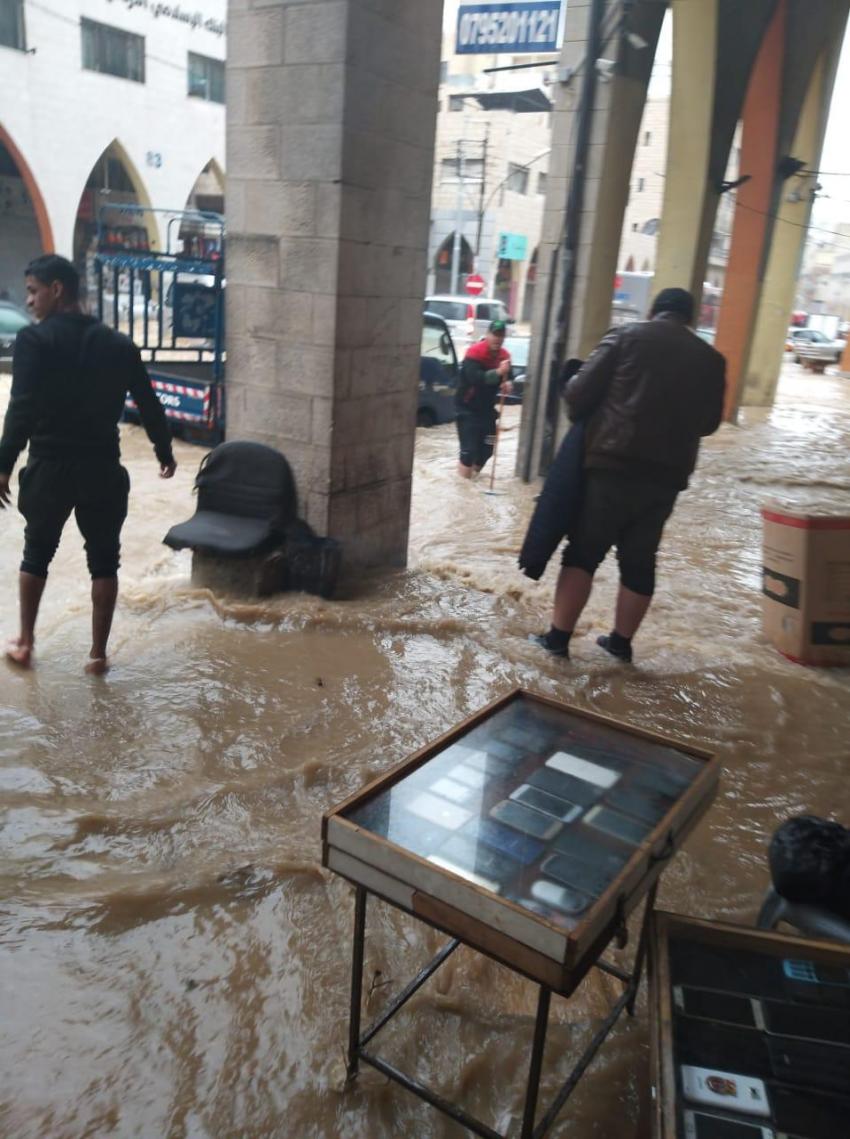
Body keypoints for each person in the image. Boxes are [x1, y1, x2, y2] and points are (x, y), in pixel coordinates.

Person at [0, 254, 176, 673]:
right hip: (102, 468)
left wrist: (4, 464)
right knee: (104, 560)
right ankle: (97, 655)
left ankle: (25, 642)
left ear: (56, 289)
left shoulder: (35, 342)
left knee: (36, 554)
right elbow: (150, 405)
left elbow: (21, 407)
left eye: (32, 291)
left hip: (49, 468)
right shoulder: (119, 345)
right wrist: (164, 452)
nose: (29, 301)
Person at [529, 287, 726, 662]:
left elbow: (577, 394)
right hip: (666, 479)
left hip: (611, 467)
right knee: (640, 559)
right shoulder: (712, 360)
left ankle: (557, 639)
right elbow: (710, 424)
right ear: (690, 317)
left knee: (584, 552)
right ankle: (620, 644)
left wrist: (571, 378)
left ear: (654, 310)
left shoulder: (624, 336)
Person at [455, 319, 513, 478]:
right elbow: (476, 378)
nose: (497, 339)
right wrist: (498, 373)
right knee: (468, 451)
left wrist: (507, 383)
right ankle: (462, 488)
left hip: (487, 411)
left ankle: (472, 482)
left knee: (488, 448)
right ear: (487, 335)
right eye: (494, 334)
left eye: (500, 335)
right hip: (467, 409)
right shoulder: (474, 353)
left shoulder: (505, 357)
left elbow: (509, 376)